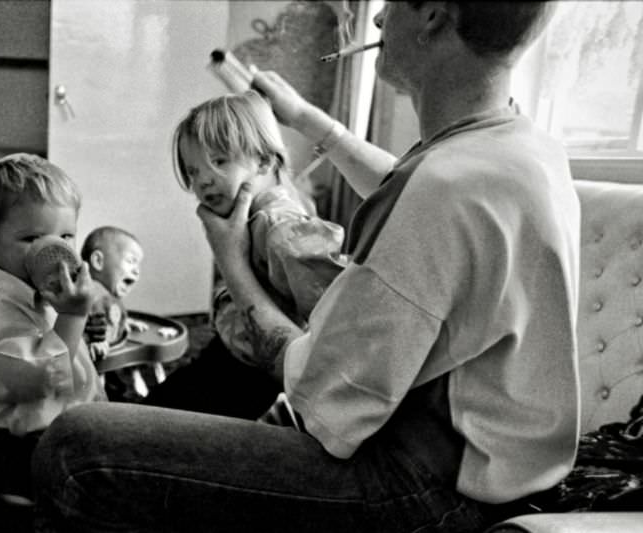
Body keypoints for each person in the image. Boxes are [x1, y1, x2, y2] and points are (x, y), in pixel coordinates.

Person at [32, 3, 580, 532]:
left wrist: (232, 263)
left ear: (434, 14)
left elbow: (318, 391)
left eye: (392, 4)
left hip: (424, 488)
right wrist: (305, 119)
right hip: (497, 472)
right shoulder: (516, 149)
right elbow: (407, 187)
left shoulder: (442, 192)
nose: (379, 17)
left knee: (75, 447)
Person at [143, 90, 348, 417]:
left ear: (264, 161)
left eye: (219, 161)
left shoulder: (281, 228)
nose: (203, 181)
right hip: (228, 354)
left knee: (146, 422)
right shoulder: (243, 218)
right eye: (193, 172)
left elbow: (335, 315)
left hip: (252, 377)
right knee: (149, 409)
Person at [0, 154, 106, 501]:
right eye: (32, 238)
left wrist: (84, 321)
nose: (55, 250)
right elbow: (36, 380)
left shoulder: (42, 287)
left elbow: (66, 346)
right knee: (39, 493)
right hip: (24, 434)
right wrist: (72, 317)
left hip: (64, 415)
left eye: (65, 236)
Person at [80, 225, 155, 397]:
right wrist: (95, 340)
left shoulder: (107, 295)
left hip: (111, 355)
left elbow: (109, 314)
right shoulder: (92, 294)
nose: (137, 270)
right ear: (98, 261)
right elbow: (88, 319)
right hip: (94, 360)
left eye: (138, 264)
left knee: (115, 386)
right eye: (130, 261)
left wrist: (124, 322)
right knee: (97, 391)